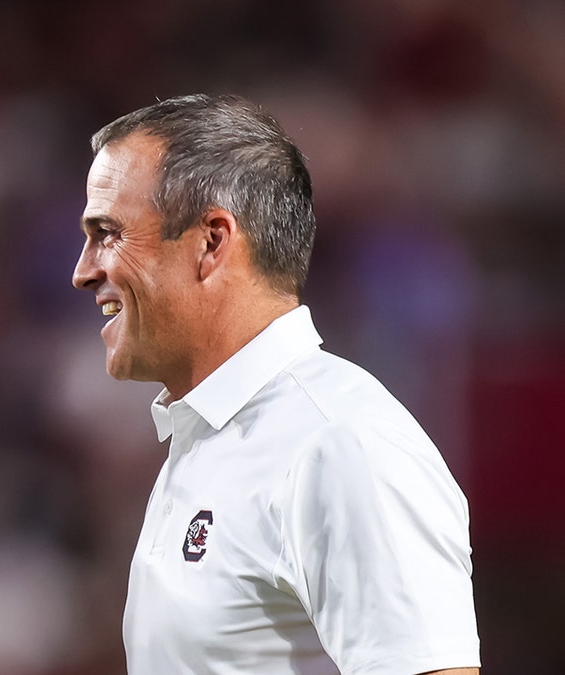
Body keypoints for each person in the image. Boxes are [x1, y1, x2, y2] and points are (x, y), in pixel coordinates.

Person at [72, 94, 480, 674]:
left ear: (212, 241)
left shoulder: (340, 443)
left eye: (108, 233)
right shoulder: (209, 438)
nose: (83, 271)